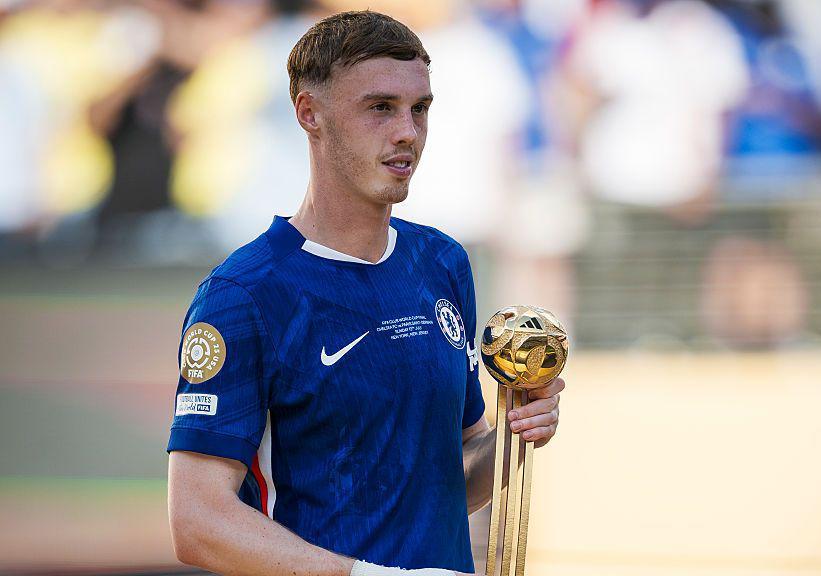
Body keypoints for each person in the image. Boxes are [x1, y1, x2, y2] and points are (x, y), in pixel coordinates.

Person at [165, 11, 565, 576]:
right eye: (380, 108)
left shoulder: (441, 261)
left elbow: (452, 482)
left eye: (420, 109)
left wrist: (512, 434)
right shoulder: (244, 295)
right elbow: (198, 523)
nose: (407, 131)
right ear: (310, 114)